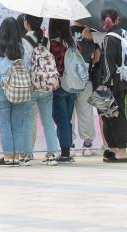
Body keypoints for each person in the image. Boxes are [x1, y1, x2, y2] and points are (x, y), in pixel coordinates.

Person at [0, 17, 27, 167]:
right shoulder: (21, 48)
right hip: (20, 89)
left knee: (4, 124)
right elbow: (27, 66)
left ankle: (8, 156)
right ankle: (17, 156)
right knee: (17, 124)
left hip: (2, 90)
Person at [21, 14, 60, 166]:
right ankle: (52, 152)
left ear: (27, 23)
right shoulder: (46, 41)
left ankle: (27, 153)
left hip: (31, 86)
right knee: (48, 121)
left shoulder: (24, 41)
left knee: (28, 121)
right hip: (46, 86)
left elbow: (25, 64)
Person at [97, 9, 127, 163]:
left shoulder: (109, 38)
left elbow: (108, 63)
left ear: (103, 21)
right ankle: (114, 150)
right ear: (117, 20)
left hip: (110, 82)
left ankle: (118, 151)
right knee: (116, 115)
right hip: (123, 80)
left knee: (110, 117)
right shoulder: (123, 34)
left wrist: (105, 83)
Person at [49, 18, 78, 163]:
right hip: (72, 85)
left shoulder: (53, 44)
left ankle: (65, 153)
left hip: (59, 85)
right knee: (67, 119)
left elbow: (54, 66)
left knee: (61, 120)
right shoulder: (72, 43)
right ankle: (66, 149)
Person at [70, 21, 97, 156]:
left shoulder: (67, 30)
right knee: (86, 111)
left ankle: (69, 144)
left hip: (69, 78)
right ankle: (87, 144)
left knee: (68, 111)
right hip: (86, 77)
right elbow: (97, 56)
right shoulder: (93, 32)